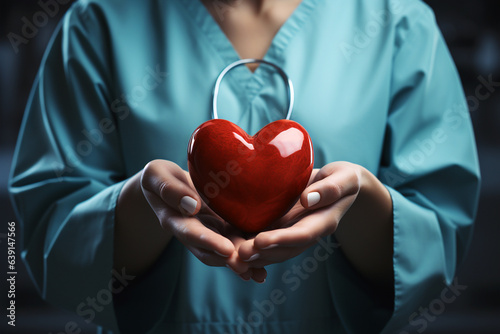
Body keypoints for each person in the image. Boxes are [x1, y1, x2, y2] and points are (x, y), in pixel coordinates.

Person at [9, 0, 480, 333]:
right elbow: (46, 230)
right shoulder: (97, 22)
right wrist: (142, 206)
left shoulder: (399, 22)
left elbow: (439, 238)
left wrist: (363, 203)